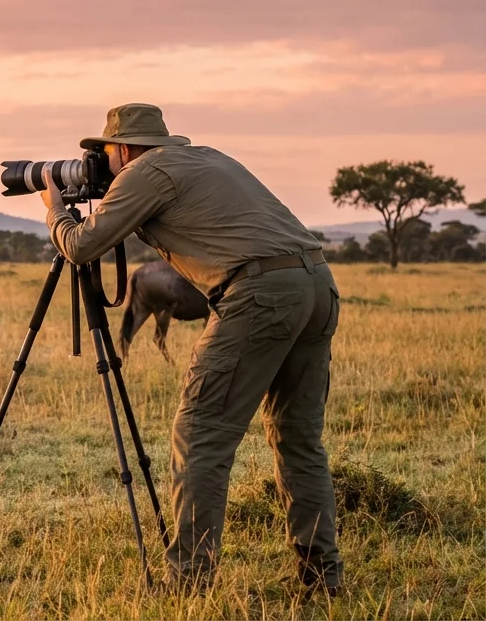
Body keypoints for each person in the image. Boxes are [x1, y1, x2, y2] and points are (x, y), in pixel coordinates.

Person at [39, 103, 342, 594]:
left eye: (105, 154)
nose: (105, 164)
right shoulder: (208, 158)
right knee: (298, 439)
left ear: (124, 149)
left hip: (258, 295)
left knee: (200, 434)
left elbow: (79, 247)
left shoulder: (143, 171)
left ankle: (187, 583)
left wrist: (55, 211)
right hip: (316, 285)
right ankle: (321, 578)